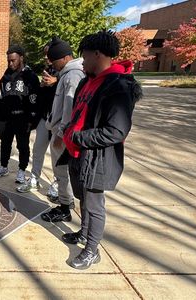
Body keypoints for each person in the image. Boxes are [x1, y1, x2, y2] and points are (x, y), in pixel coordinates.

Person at [61, 30, 141, 269]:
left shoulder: (118, 86)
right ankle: (84, 233)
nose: (82, 61)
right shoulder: (88, 80)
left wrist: (77, 136)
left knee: (95, 206)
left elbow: (116, 131)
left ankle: (92, 250)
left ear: (97, 54)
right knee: (83, 198)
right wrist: (68, 131)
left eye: (84, 55)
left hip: (98, 158)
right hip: (78, 152)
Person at [39, 37, 85, 223]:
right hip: (61, 131)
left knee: (62, 172)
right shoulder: (68, 73)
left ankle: (65, 208)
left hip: (63, 135)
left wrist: (60, 134)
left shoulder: (73, 75)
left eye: (53, 59)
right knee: (62, 172)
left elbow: (70, 109)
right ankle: (65, 203)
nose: (51, 63)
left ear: (65, 57)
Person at [0, 45, 40, 184]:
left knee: (22, 145)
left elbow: (35, 99)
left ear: (21, 58)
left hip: (23, 118)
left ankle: (22, 170)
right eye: (9, 61)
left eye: (13, 60)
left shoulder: (30, 76)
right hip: (7, 119)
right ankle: (3, 167)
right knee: (5, 143)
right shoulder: (5, 77)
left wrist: (32, 119)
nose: (10, 63)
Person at [16, 43, 58, 194]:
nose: (46, 57)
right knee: (38, 149)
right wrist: (42, 86)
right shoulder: (48, 70)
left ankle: (57, 183)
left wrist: (56, 81)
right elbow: (41, 96)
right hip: (45, 117)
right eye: (45, 54)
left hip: (58, 120)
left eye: (49, 54)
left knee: (56, 153)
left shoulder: (66, 72)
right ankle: (34, 179)